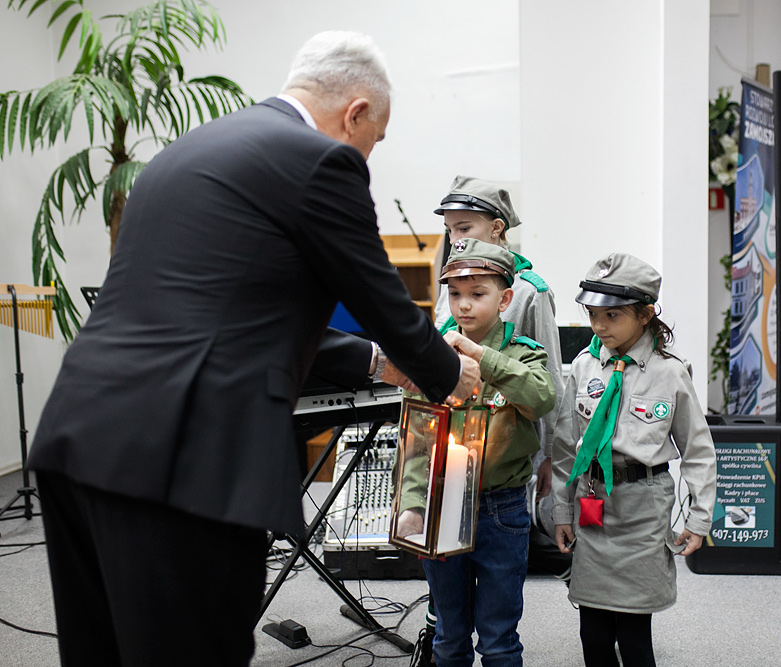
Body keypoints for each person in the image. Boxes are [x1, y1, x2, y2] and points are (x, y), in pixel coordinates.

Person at [26, 31, 480, 667]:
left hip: (81, 434)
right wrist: (446, 372)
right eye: (373, 141)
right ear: (355, 113)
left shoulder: (188, 152)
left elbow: (228, 313)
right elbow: (383, 300)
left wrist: (376, 362)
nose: (368, 160)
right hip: (184, 458)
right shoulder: (322, 160)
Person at [412, 177, 565, 666]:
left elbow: (547, 391)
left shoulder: (529, 292)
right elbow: (419, 434)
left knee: (499, 636)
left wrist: (550, 462)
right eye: (455, 294)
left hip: (502, 493)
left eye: (466, 227)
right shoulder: (455, 286)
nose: (462, 304)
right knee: (448, 631)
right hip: (447, 489)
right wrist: (414, 502)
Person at [550, 253, 716, 667]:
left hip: (644, 504)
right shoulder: (585, 365)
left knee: (634, 631)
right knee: (593, 628)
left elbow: (698, 450)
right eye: (592, 314)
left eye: (612, 315)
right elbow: (566, 446)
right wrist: (561, 510)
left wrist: (699, 519)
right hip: (594, 500)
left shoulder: (670, 373)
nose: (599, 326)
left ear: (645, 315)